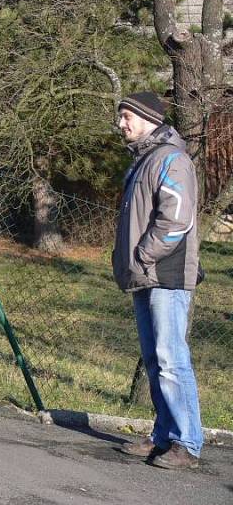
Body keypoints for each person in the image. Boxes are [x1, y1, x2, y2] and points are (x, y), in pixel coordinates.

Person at [112, 91, 203, 470]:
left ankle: (187, 442)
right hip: (144, 275)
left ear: (148, 118)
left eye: (126, 117)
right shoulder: (144, 161)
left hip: (166, 274)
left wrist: (143, 254)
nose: (121, 124)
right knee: (154, 360)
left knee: (171, 359)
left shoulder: (171, 160)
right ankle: (163, 436)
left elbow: (176, 220)